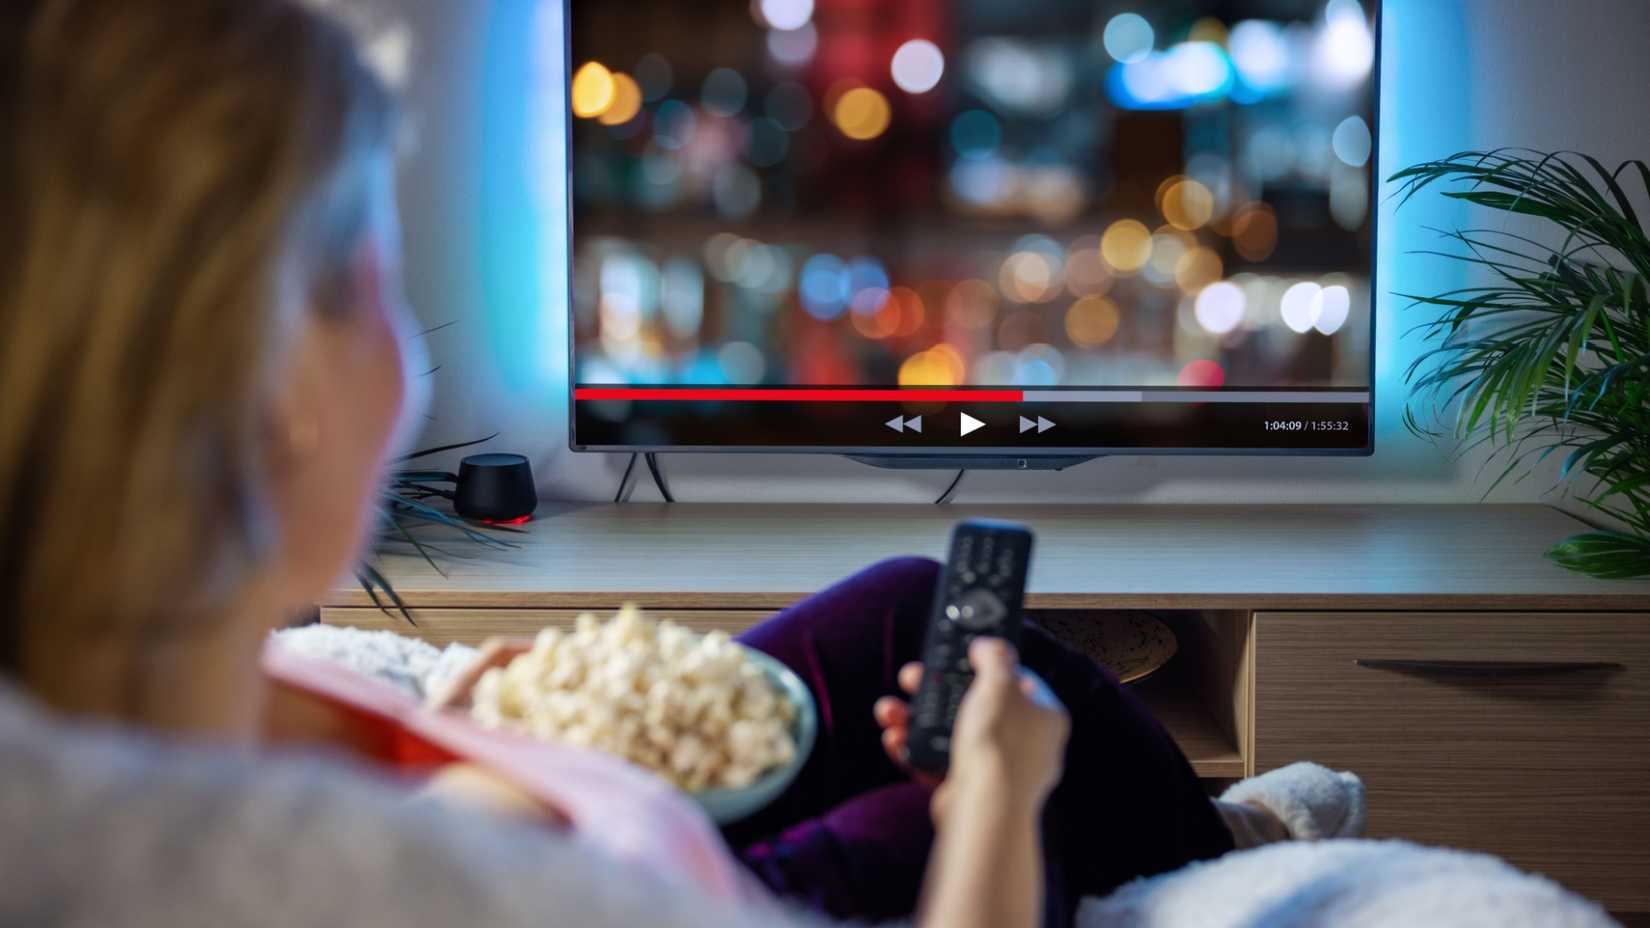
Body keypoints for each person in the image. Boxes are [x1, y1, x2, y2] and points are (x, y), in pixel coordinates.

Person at [0, 2, 1275, 926]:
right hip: (636, 868)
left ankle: (1215, 831)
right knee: (958, 786)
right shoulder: (386, 884)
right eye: (382, 276)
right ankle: (1236, 857)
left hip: (566, 825)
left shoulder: (112, 710)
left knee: (911, 606)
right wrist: (998, 797)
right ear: (282, 393)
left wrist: (450, 750)